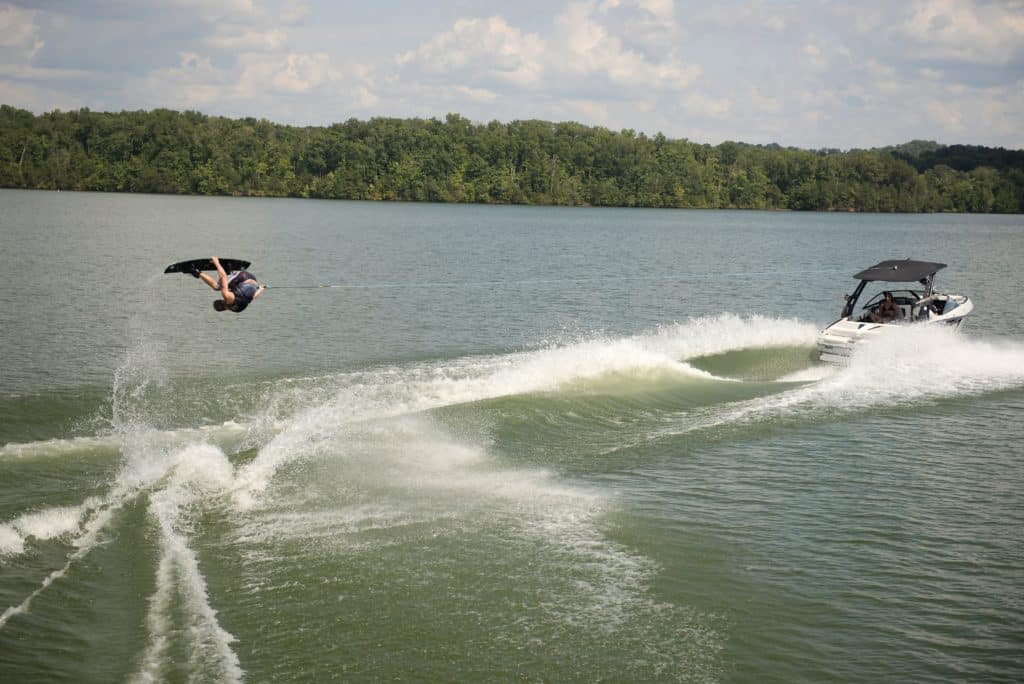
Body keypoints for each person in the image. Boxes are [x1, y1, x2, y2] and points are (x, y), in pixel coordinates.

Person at [190, 256, 264, 312]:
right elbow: (223, 277)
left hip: (253, 279)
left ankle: (232, 271)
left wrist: (260, 288)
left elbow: (253, 297)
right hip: (243, 276)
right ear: (222, 301)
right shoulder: (227, 297)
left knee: (230, 288)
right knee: (217, 287)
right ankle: (195, 271)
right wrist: (216, 262)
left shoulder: (240, 306)